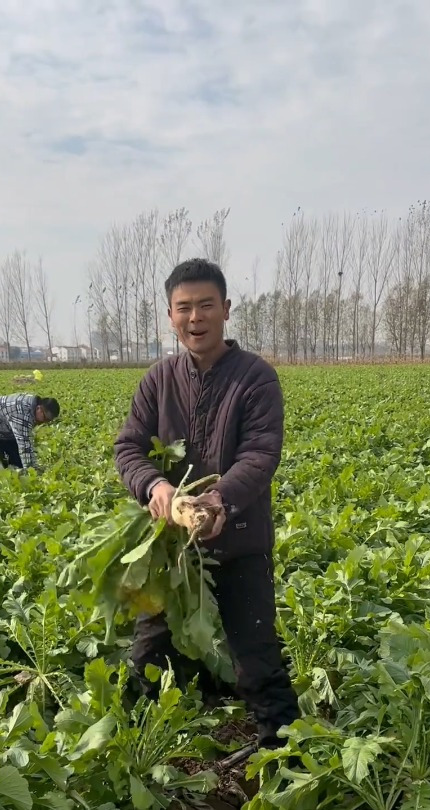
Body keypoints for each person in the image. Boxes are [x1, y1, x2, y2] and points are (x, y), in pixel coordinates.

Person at [114, 257, 299, 749]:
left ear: (226, 310)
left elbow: (261, 453)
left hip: (239, 540)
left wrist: (218, 501)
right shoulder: (158, 380)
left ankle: (286, 757)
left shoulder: (256, 378)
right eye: (184, 308)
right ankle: (132, 751)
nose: (195, 318)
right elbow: (128, 447)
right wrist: (155, 487)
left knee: (256, 654)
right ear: (170, 315)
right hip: (171, 550)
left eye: (206, 306)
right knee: (148, 650)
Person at [0, 393, 60, 474]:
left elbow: (25, 440)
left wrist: (30, 467)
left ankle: (9, 471)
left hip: (0, 431)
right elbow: (24, 444)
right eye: (45, 418)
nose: (44, 422)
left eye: (48, 421)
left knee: (18, 463)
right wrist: (32, 471)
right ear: (39, 408)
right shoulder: (22, 412)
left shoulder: (32, 407)